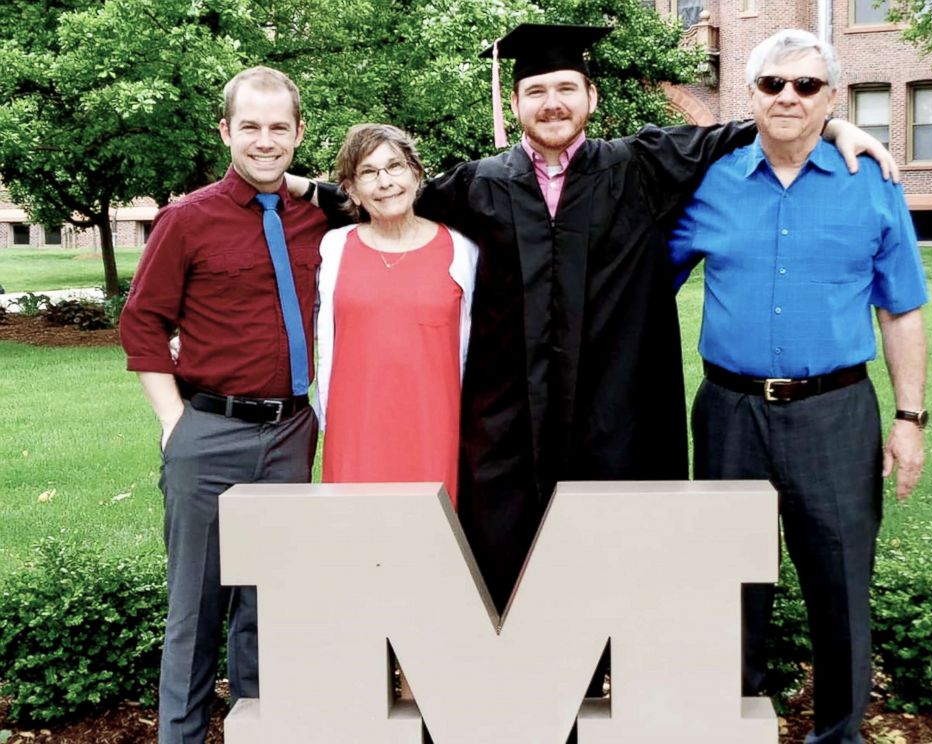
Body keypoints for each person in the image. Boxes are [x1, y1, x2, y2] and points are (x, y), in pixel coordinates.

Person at [296, 24, 895, 616]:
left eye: (566, 88)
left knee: (616, 562)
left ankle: (610, 681)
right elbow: (386, 197)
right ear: (515, 103)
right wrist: (290, 183)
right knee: (510, 563)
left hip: (614, 413)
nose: (552, 103)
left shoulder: (640, 167)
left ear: (591, 97)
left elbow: (736, 134)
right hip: (511, 421)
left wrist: (832, 122)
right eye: (536, 91)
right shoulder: (481, 184)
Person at [669, 29, 928, 744]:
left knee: (840, 583)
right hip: (729, 412)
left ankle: (838, 733)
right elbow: (639, 278)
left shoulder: (873, 187)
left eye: (808, 86)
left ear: (833, 98)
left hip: (837, 413)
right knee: (730, 580)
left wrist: (910, 419)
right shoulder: (709, 183)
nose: (789, 96)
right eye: (773, 84)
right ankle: (733, 718)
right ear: (749, 94)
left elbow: (901, 310)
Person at [120, 66, 348, 744]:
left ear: (300, 132)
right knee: (196, 609)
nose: (265, 140)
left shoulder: (320, 217)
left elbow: (382, 194)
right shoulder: (186, 218)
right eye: (250, 126)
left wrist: (311, 186)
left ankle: (262, 730)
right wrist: (172, 421)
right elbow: (141, 322)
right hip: (209, 431)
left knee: (270, 606)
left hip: (292, 430)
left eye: (280, 127)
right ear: (225, 131)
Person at [315, 124, 478, 505]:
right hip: (355, 433)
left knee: (433, 546)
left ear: (417, 174)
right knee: (357, 545)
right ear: (351, 189)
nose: (384, 181)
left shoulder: (461, 249)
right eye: (368, 172)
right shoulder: (334, 249)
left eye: (395, 166)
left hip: (434, 432)